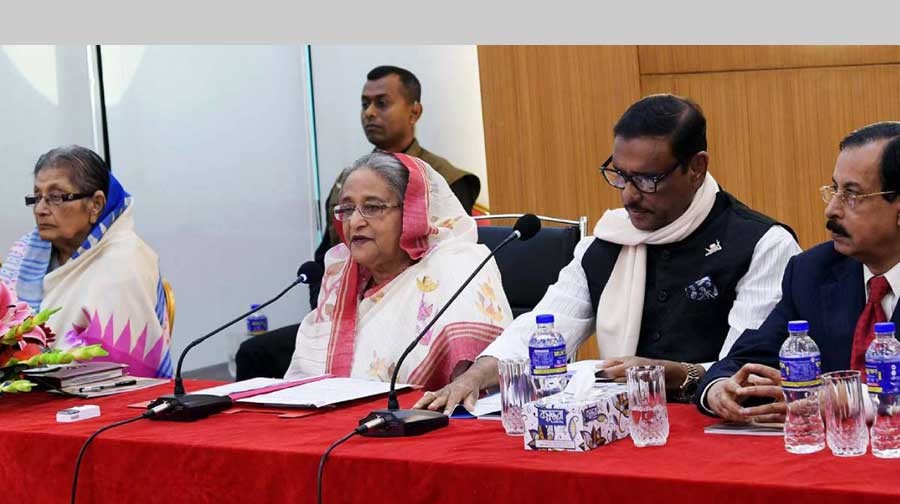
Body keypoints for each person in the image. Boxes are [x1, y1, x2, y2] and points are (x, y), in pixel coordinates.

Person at [416, 93, 801, 415]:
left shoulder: (762, 244)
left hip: (717, 429)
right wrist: (476, 375)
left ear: (697, 167)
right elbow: (544, 329)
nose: (628, 195)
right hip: (619, 424)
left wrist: (677, 374)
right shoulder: (607, 241)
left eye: (647, 179)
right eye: (620, 174)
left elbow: (746, 368)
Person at [236, 65, 481, 380]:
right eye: (365, 104)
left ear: (414, 111)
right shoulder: (350, 181)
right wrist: (331, 320)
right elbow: (325, 259)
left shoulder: (442, 180)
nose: (369, 112)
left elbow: (443, 261)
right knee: (255, 352)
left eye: (382, 103)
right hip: (350, 310)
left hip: (414, 314)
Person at [698, 122, 900, 423]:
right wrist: (720, 388)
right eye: (834, 190)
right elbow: (750, 357)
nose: (831, 209)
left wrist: (847, 399)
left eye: (852, 194)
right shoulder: (812, 271)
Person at [284, 151, 510, 388]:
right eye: (347, 209)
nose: (355, 222)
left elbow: (491, 369)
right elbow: (307, 384)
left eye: (373, 207)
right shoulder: (340, 277)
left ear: (413, 213)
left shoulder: (456, 265)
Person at [0, 145, 173, 378]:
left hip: (95, 393)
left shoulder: (124, 261)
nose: (40, 209)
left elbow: (112, 369)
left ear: (96, 204)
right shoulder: (26, 252)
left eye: (56, 197)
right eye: (37, 197)